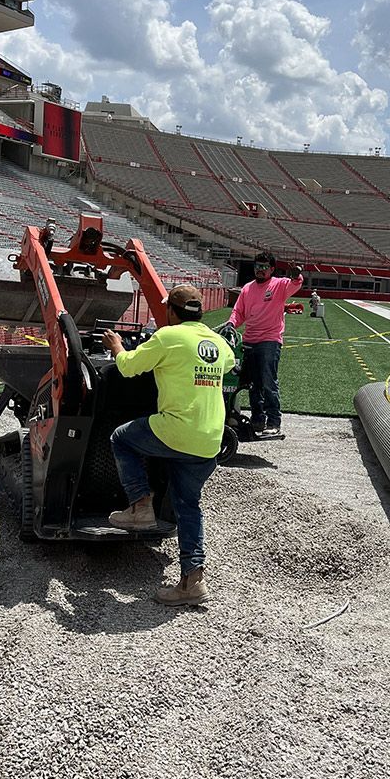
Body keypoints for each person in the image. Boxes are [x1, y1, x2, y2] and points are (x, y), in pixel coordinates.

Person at [102, 284, 235, 607]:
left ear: (171, 312)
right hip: (209, 440)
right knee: (188, 506)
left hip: (176, 430)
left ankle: (140, 506)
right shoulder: (217, 342)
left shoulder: (167, 336)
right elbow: (227, 363)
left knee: (122, 438)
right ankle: (192, 581)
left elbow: (128, 366)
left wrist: (117, 346)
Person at [228, 251, 303, 436]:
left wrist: (296, 275)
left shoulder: (279, 285)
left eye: (264, 267)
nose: (260, 270)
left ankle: (274, 421)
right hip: (249, 340)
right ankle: (257, 420)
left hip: (269, 340)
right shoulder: (247, 288)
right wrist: (231, 324)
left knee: (268, 382)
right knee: (253, 384)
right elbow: (239, 312)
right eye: (257, 266)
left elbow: (295, 284)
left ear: (272, 269)